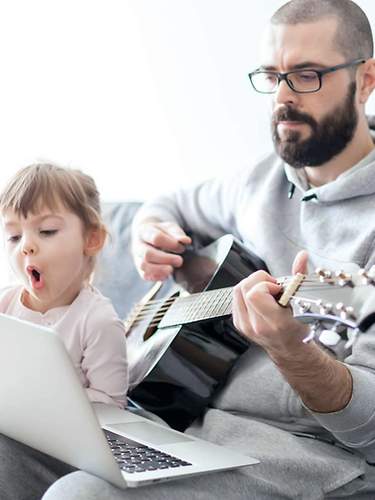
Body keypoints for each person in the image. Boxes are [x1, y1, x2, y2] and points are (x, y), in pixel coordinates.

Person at [2, 0, 375, 498]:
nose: (282, 98)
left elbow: (369, 433)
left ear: (366, 79)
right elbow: (167, 204)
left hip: (299, 454)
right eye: (271, 76)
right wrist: (150, 232)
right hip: (182, 422)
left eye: (306, 75)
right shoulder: (258, 179)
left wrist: (293, 351)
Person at [0, 164, 128, 409]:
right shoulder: (4, 305)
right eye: (14, 237)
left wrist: (44, 399)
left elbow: (112, 404)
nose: (26, 246)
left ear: (91, 239)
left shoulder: (98, 322)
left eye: (47, 231)